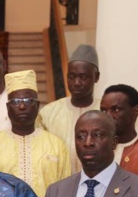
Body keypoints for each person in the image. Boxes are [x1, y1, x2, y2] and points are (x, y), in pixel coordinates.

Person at [0, 70, 70, 197]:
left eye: (28, 101)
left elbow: (66, 192)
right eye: (15, 101)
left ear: (38, 106)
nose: (22, 106)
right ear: (8, 107)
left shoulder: (56, 145)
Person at [37, 44, 101, 173]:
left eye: (83, 77)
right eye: (72, 77)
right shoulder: (48, 113)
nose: (76, 82)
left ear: (96, 77)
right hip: (61, 186)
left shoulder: (105, 112)